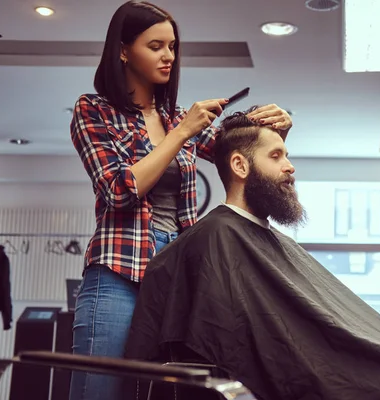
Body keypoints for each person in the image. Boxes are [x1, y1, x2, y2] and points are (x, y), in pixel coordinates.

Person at [125, 107, 380, 400]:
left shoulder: (265, 241)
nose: (290, 166)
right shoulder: (215, 239)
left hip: (343, 377)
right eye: (276, 156)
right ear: (240, 165)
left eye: (287, 155)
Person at [68, 1, 293, 399]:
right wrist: (181, 132)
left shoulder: (175, 117)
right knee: (99, 392)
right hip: (118, 271)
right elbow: (119, 191)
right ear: (123, 50)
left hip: (176, 273)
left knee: (169, 392)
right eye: (156, 46)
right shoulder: (94, 110)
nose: (168, 56)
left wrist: (274, 131)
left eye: (172, 46)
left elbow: (240, 159)